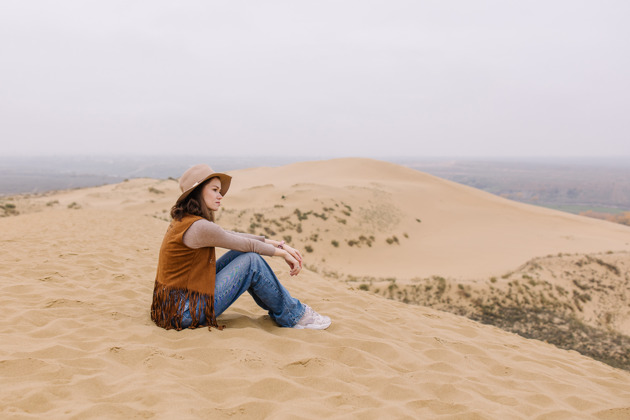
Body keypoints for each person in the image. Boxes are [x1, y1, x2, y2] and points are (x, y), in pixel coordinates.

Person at [151, 164, 331, 331]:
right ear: (197, 192)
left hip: (172, 308)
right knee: (251, 261)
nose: (220, 196)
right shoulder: (198, 227)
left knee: (241, 253)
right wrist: (282, 253)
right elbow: (243, 243)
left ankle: (289, 311)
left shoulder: (187, 221)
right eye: (215, 190)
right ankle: (294, 315)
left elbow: (234, 237)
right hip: (183, 314)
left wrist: (278, 244)